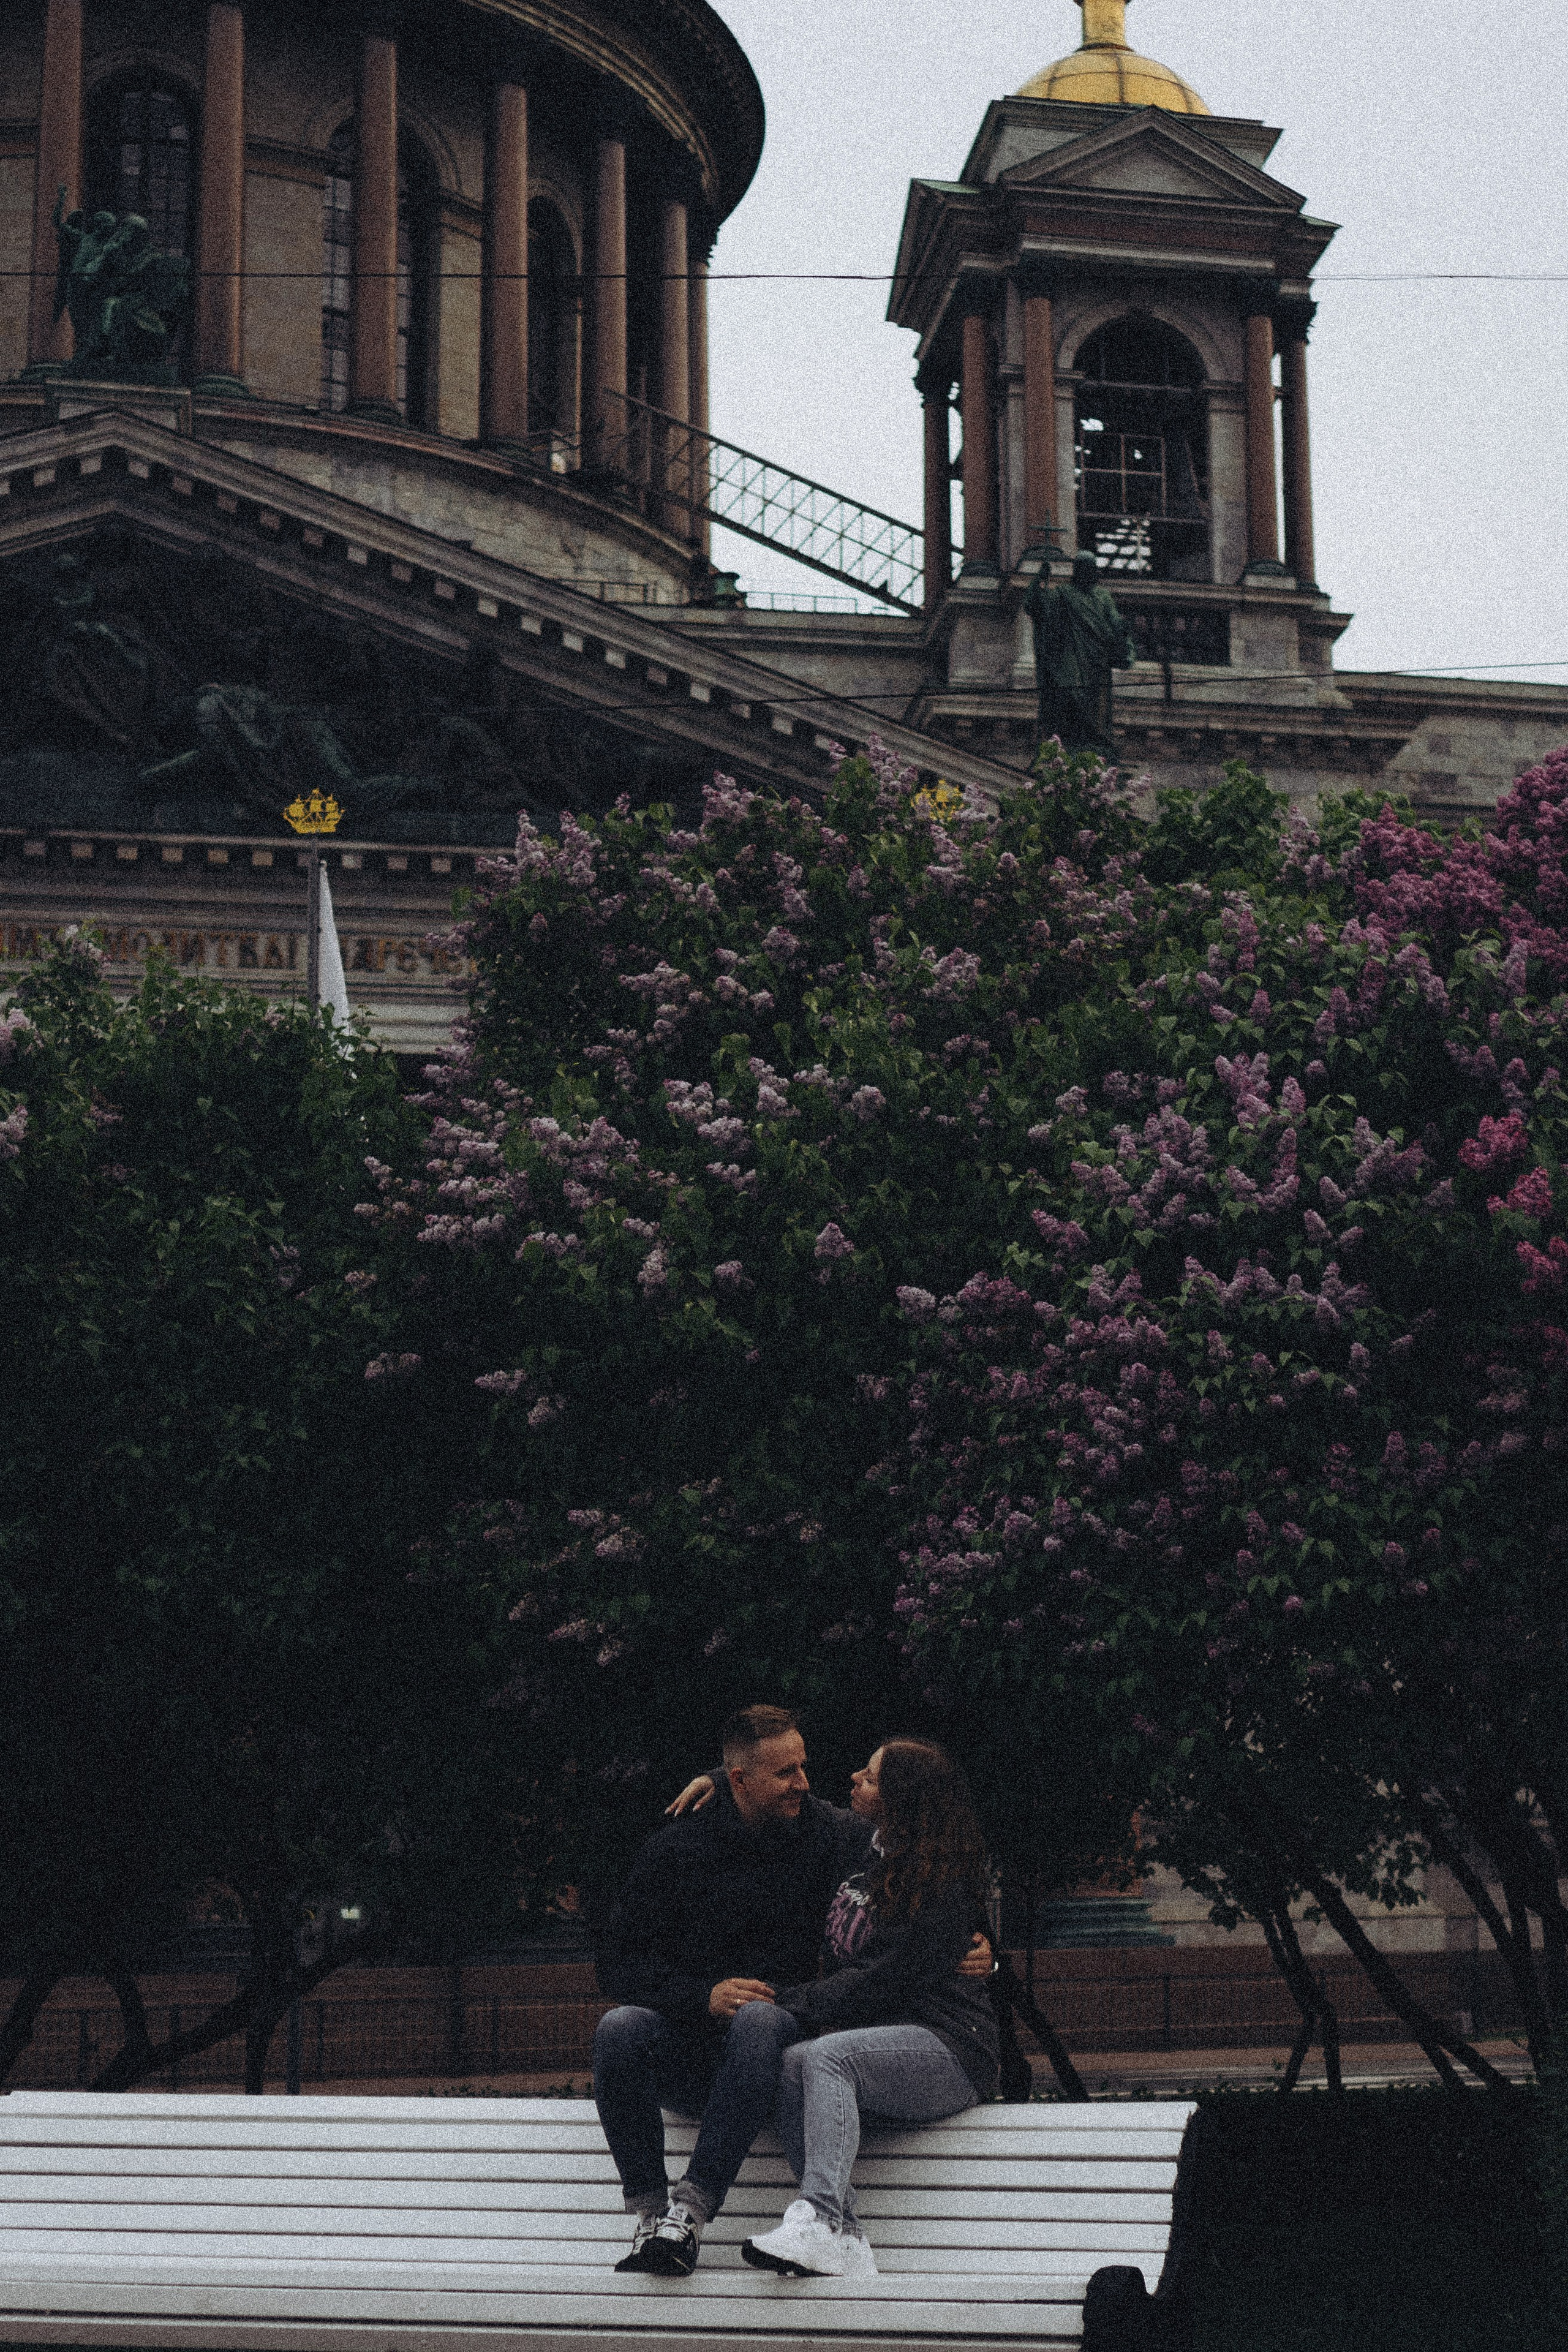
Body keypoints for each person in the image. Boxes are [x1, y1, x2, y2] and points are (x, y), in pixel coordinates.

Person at [592, 1706, 989, 2278]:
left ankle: (692, 2215)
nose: (804, 1783)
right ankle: (653, 2215)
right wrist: (702, 1995)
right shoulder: (678, 1850)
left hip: (779, 2045)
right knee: (620, 2028)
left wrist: (987, 1950)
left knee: (762, 2022)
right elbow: (620, 1965)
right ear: (739, 1781)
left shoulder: (834, 1836)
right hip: (703, 2051)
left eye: (803, 1767)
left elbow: (933, 1854)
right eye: (785, 1773)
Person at [741, 1738, 999, 2282]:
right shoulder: (868, 1849)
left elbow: (879, 1982)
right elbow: (783, 1793)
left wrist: (785, 2000)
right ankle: (847, 2241)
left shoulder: (939, 1882)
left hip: (950, 2048)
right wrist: (723, 1780)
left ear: (902, 1799)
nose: (855, 1778)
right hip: (885, 2047)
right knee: (793, 2062)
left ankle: (819, 2218)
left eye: (873, 1777)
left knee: (829, 2056)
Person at [1025, 551, 1137, 758]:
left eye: (1090, 569)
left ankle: (1092, 743)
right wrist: (1039, 580)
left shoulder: (1103, 596)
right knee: (1071, 693)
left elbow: (1115, 623)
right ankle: (1072, 740)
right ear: (1077, 572)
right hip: (1072, 653)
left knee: (1096, 705)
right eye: (1083, 569)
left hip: (1097, 658)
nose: (1087, 573)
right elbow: (1036, 607)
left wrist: (1124, 642)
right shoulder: (1064, 593)